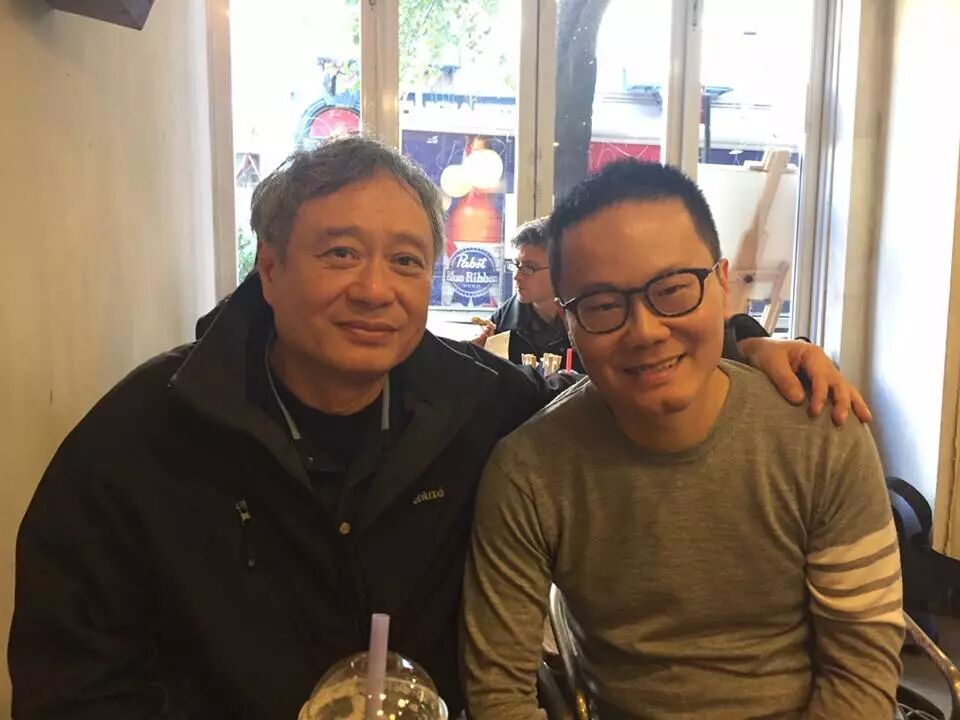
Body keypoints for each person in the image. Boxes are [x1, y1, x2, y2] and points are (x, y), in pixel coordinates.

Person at [10, 137, 868, 720]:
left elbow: (627, 375)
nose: (374, 288)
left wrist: (746, 346)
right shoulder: (143, 438)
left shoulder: (481, 406)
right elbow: (72, 681)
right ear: (268, 266)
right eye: (339, 253)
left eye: (406, 260)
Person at [462, 160, 903, 720]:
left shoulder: (820, 434)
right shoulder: (529, 471)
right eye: (602, 306)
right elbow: (499, 693)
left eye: (672, 290)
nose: (645, 332)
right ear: (567, 322)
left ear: (722, 284)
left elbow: (861, 673)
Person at [471, 218, 583, 370]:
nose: (517, 276)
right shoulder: (501, 323)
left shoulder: (586, 318)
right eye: (516, 265)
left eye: (529, 268)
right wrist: (475, 355)